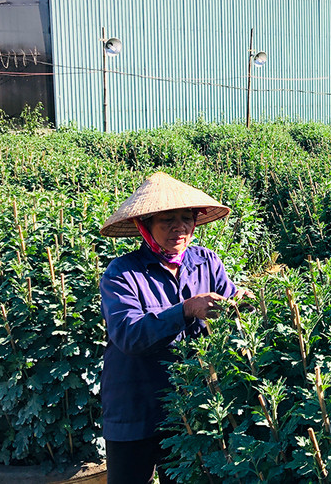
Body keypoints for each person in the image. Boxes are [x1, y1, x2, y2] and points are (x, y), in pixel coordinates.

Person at [99, 171, 243, 484]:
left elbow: (232, 309)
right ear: (145, 225)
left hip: (188, 409)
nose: (179, 228)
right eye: (167, 220)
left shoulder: (207, 262)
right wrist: (187, 309)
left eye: (186, 218)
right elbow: (128, 334)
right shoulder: (122, 273)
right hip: (135, 407)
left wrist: (244, 304)